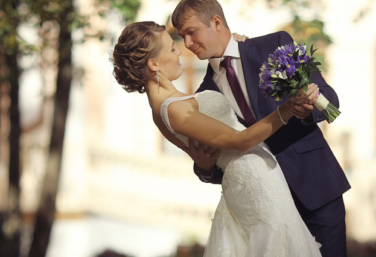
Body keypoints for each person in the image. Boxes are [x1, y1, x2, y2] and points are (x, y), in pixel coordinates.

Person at [111, 21, 323, 256]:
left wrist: (234, 49)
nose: (180, 51)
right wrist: (287, 110)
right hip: (252, 179)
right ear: (153, 64)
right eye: (172, 48)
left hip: (256, 174)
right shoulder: (171, 109)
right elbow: (238, 141)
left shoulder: (171, 102)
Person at [171, 0, 350, 257]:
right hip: (265, 209)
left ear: (217, 22)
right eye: (181, 36)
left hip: (315, 188)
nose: (187, 42)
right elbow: (223, 161)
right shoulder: (204, 95)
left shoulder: (275, 45)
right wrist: (206, 169)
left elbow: (329, 99)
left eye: (191, 32)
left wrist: (310, 106)